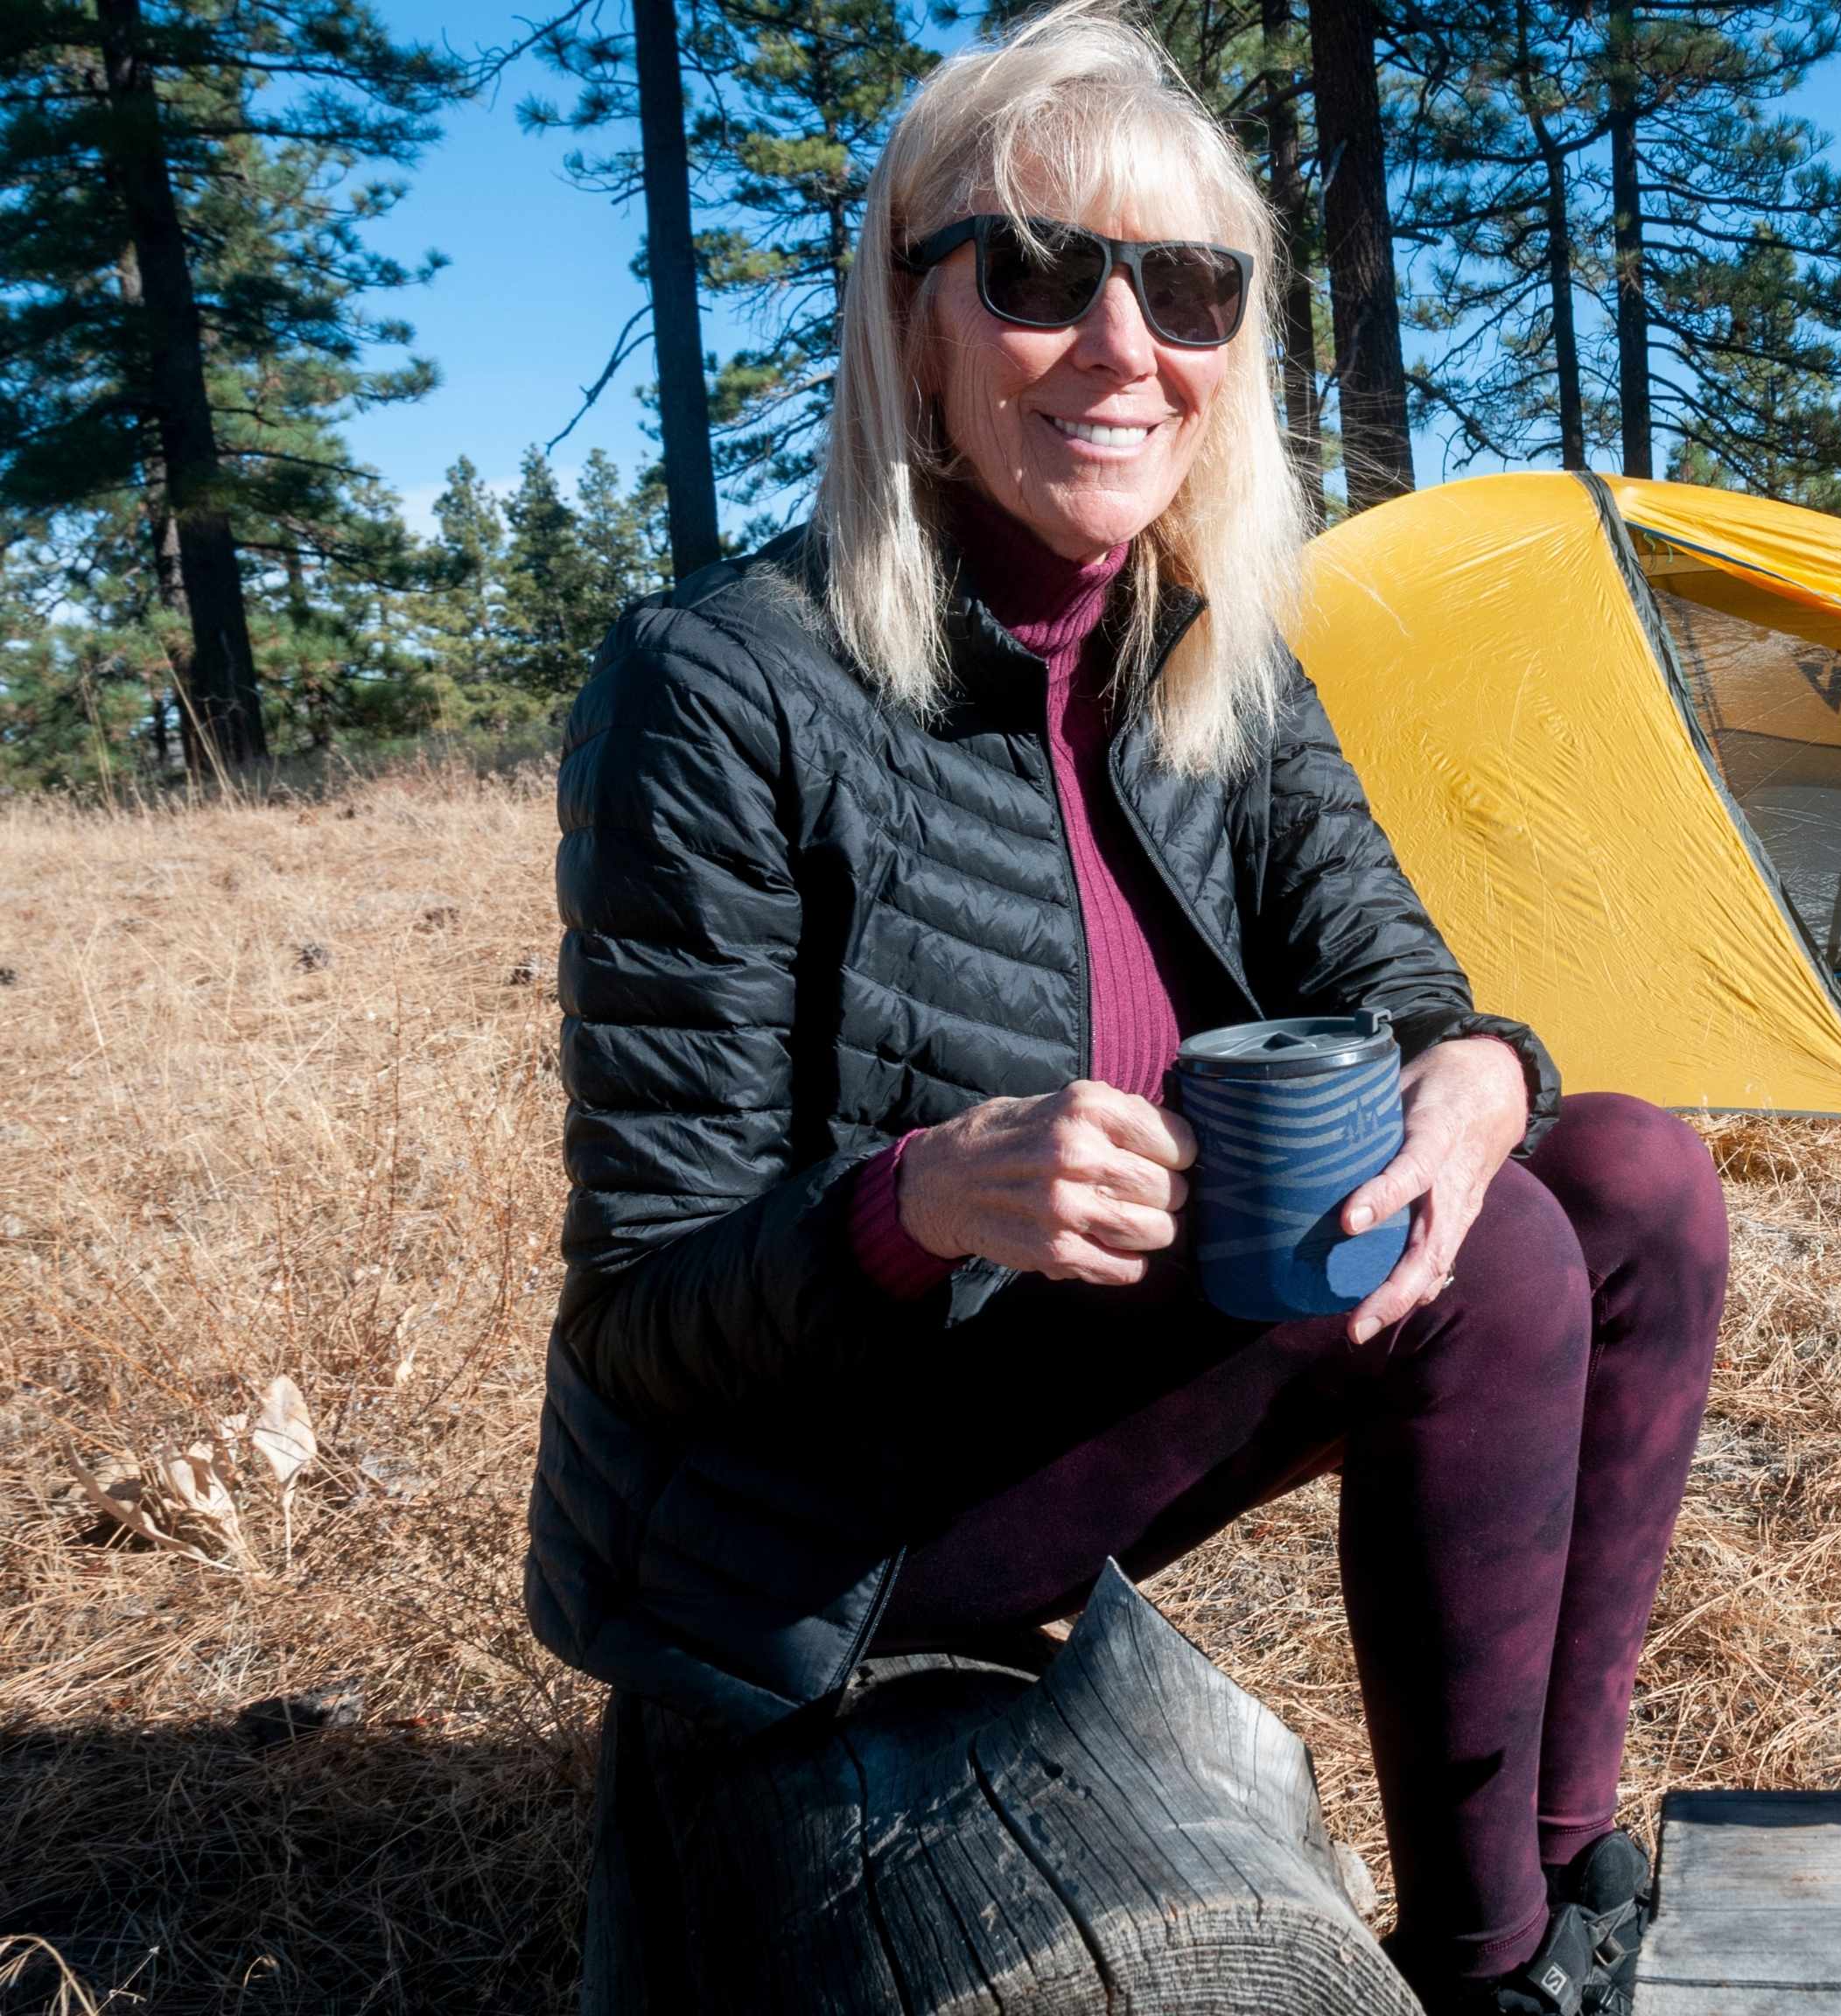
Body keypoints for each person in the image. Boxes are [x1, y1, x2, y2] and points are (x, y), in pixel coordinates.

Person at [519, 4, 1727, 2011]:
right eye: (1037, 271)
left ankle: (1562, 1856)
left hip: (1060, 1403)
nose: (1121, 344)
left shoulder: (1205, 659)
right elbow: (641, 1315)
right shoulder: (726, 690)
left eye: (1186, 287)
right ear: (914, 322)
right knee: (1500, 1264)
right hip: (800, 1523)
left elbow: (1414, 994)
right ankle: (1487, 1973)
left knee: (1627, 1175)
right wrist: (920, 1201)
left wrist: (1477, 1081)